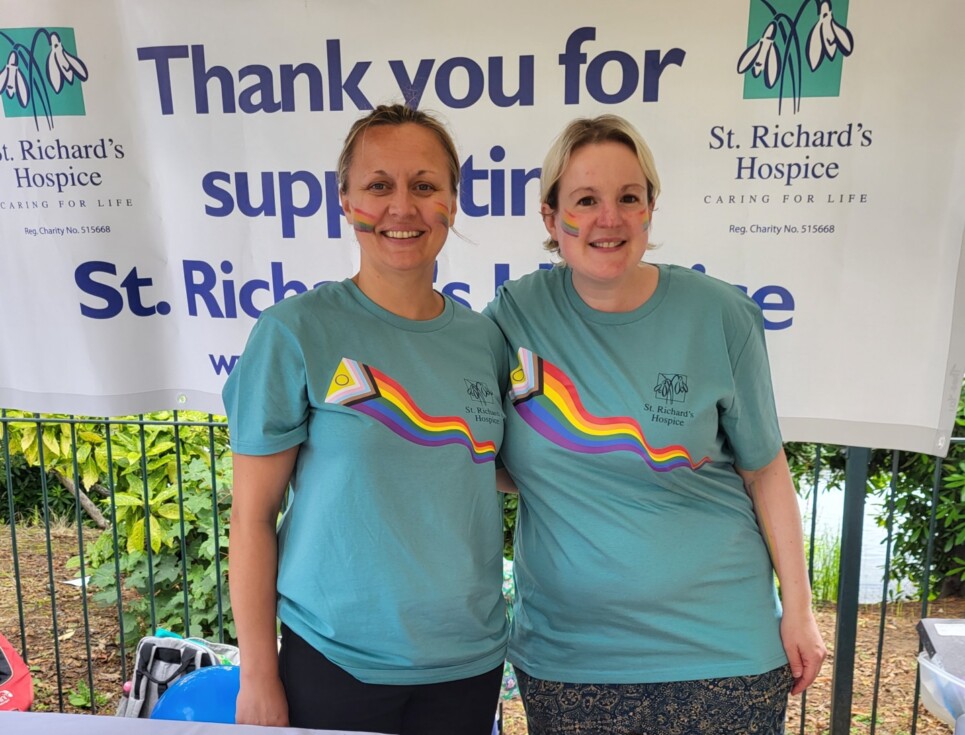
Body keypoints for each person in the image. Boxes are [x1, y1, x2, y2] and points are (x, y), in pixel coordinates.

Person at [485, 115, 826, 735]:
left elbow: (766, 470)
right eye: (585, 200)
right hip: (570, 662)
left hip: (723, 656)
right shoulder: (513, 318)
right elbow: (488, 457)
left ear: (650, 209)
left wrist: (799, 611)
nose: (607, 219)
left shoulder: (720, 315)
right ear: (549, 217)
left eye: (628, 198)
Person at [223, 104, 508, 735]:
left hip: (468, 661)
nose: (401, 207)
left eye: (424, 185)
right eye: (379, 186)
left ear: (452, 203)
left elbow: (500, 468)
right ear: (346, 201)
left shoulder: (484, 340)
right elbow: (250, 519)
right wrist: (258, 675)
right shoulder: (295, 332)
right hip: (334, 662)